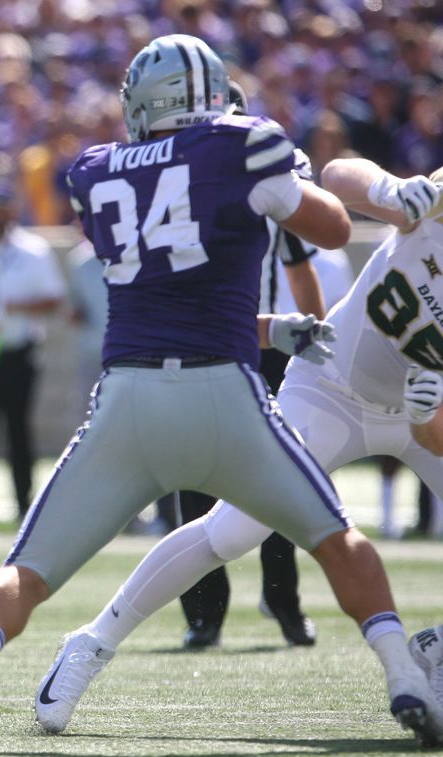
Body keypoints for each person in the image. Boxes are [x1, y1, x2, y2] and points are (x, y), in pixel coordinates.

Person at [0, 34, 442, 755]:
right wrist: (314, 185)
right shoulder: (246, 146)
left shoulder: (94, 169)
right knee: (337, 542)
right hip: (252, 391)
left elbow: (172, 269)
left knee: (23, 570)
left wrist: (284, 330)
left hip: (129, 394)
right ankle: (404, 676)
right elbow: (334, 222)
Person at [31, 156, 443, 742]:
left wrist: (426, 415)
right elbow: (335, 174)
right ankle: (91, 643)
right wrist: (393, 190)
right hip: (329, 391)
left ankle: (436, 650)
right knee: (232, 530)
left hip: (415, 412)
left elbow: (436, 440)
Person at [175, 82, 330, 650]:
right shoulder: (175, 167)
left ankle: (282, 598)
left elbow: (298, 258)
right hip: (195, 338)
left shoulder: (272, 167)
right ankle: (204, 614)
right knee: (192, 474)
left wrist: (315, 331)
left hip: (261, 340)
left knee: (273, 472)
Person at [0, 177, 66, 518]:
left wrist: (11, 307)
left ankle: (24, 505)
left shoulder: (33, 249)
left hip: (18, 351)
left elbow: (54, 300)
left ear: (14, 209)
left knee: (18, 431)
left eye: (3, 205)